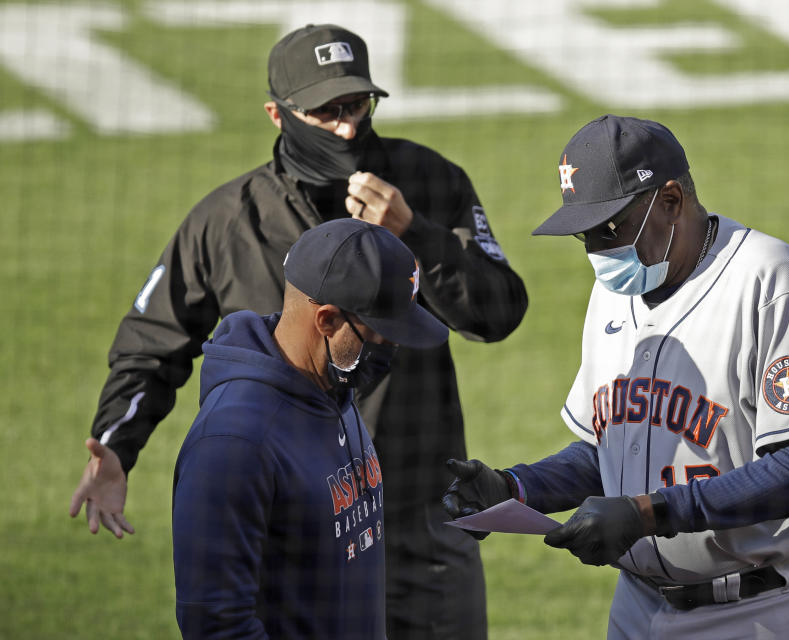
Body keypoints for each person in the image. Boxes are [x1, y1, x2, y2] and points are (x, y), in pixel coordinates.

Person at [69, 24, 527, 639]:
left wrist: (416, 232)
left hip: (423, 518)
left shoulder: (429, 181)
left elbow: (498, 313)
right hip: (299, 528)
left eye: (356, 106)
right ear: (277, 114)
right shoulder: (227, 222)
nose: (345, 127)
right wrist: (116, 446)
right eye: (325, 111)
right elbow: (152, 343)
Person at [443, 115, 789, 639]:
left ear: (671, 201)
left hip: (757, 610)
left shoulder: (771, 281)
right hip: (638, 608)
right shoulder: (610, 296)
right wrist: (518, 486)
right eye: (585, 234)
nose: (596, 250)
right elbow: (607, 450)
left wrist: (649, 513)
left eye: (610, 228)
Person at [173, 219, 449, 638]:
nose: (390, 347)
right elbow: (216, 626)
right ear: (326, 320)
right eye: (380, 333)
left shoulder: (332, 388)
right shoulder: (234, 443)